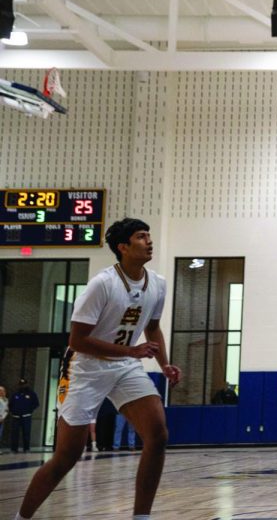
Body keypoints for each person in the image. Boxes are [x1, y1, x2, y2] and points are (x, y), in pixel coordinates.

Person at [14, 217, 182, 520]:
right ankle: (21, 517)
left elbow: (153, 328)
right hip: (84, 367)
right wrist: (131, 350)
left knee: (157, 434)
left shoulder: (157, 284)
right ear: (123, 247)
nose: (149, 241)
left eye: (148, 236)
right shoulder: (102, 284)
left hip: (126, 365)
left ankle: (140, 517)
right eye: (142, 237)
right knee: (67, 456)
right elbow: (78, 340)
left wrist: (164, 363)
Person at [9, 378, 38, 453]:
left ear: (27, 384)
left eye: (24, 384)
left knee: (26, 433)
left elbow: (36, 404)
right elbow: (10, 405)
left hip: (26, 417)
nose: (22, 386)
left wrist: (30, 410)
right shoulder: (15, 394)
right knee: (15, 434)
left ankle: (26, 448)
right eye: (21, 385)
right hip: (16, 417)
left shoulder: (31, 394)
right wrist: (13, 412)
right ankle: (14, 449)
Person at [0, 385, 8, 452]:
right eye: (0, 391)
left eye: (3, 391)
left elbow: (6, 410)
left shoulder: (5, 400)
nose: (2, 392)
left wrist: (3, 417)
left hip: (2, 419)